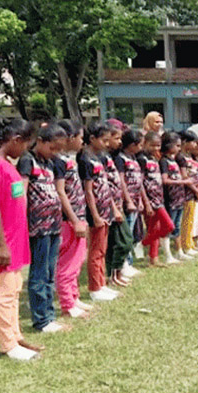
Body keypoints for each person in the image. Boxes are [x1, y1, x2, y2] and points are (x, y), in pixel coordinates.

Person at [0, 118, 43, 360]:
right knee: (4, 293)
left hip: (15, 239)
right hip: (1, 241)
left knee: (14, 289)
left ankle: (15, 335)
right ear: (15, 140)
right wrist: (1, 245)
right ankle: (8, 344)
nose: (25, 150)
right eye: (25, 144)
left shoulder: (6, 164)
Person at [17, 123, 68, 332]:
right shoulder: (28, 161)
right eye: (53, 148)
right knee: (39, 273)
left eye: (59, 150)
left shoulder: (50, 163)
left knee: (50, 271)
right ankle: (41, 319)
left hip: (54, 225)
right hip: (37, 227)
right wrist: (21, 222)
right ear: (41, 141)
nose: (56, 153)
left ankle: (49, 314)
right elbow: (22, 193)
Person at [53, 120, 92, 319]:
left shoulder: (69, 159)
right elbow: (61, 192)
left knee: (77, 261)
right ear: (69, 138)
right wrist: (75, 220)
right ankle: (67, 303)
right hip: (69, 221)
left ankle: (74, 297)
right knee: (68, 263)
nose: (82, 142)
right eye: (80, 138)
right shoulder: (58, 162)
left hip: (79, 217)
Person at [78, 123, 120, 301]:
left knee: (102, 249)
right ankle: (95, 288)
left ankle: (101, 283)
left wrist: (112, 208)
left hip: (105, 208)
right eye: (103, 140)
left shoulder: (98, 157)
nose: (106, 143)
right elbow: (88, 190)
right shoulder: (85, 160)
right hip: (96, 213)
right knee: (96, 251)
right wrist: (95, 215)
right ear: (92, 139)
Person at [103, 123, 135, 287]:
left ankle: (117, 272)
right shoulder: (102, 157)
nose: (119, 142)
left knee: (124, 240)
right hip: (110, 206)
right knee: (120, 241)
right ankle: (111, 274)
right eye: (116, 138)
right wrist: (115, 207)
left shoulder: (111, 156)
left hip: (117, 203)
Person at [138, 132, 175, 267]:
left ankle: (153, 259)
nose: (155, 148)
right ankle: (143, 243)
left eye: (158, 145)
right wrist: (145, 202)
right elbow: (140, 182)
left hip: (158, 198)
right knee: (169, 225)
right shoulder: (142, 159)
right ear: (145, 143)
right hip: (150, 200)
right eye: (152, 145)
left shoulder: (155, 159)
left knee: (155, 227)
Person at [114, 129, 147, 277]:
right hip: (127, 203)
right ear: (132, 144)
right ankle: (124, 264)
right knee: (126, 236)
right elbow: (121, 181)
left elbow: (138, 180)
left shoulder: (134, 158)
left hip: (135, 200)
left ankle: (129, 262)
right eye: (140, 144)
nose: (141, 147)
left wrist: (139, 200)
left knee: (133, 232)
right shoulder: (121, 159)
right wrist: (128, 200)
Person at [160, 132, 193, 262]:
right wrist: (183, 182)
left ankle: (179, 251)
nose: (180, 148)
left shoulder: (174, 160)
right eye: (177, 145)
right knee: (169, 227)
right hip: (170, 199)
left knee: (177, 225)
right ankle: (168, 255)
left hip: (179, 198)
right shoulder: (163, 161)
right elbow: (165, 180)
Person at [178, 130, 198, 254]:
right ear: (185, 142)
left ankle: (190, 242)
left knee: (191, 218)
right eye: (193, 142)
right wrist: (196, 190)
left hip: (193, 192)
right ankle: (186, 245)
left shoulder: (188, 156)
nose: (195, 145)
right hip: (185, 192)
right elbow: (185, 177)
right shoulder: (181, 157)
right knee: (186, 219)